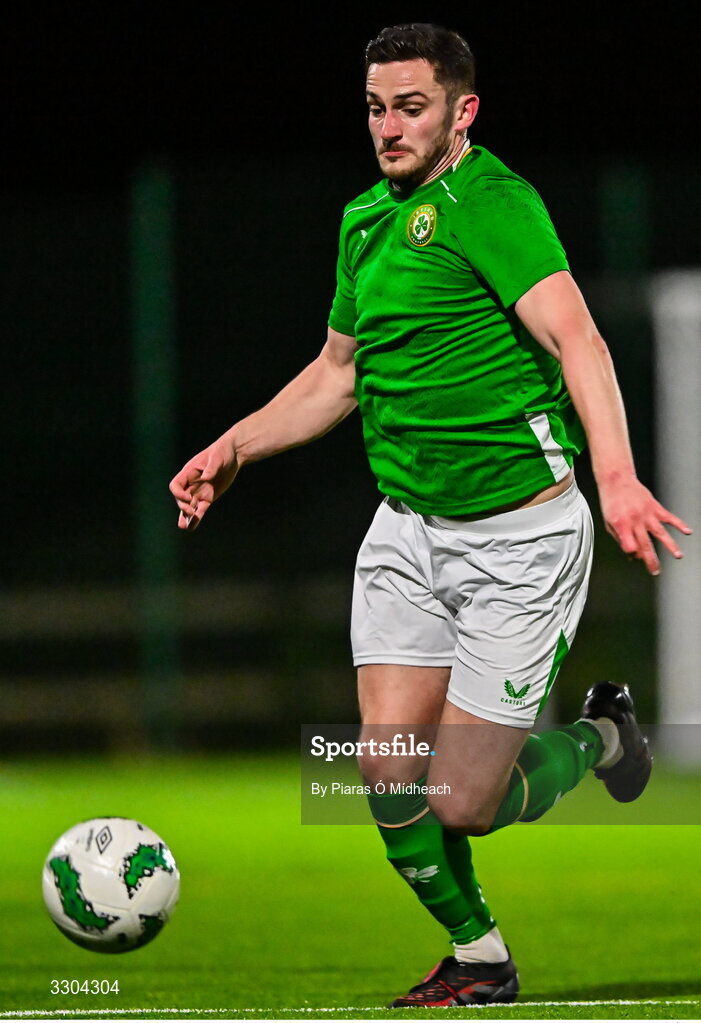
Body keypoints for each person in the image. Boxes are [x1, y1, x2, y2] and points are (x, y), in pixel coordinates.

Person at [169, 23, 691, 1008]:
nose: (388, 126)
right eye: (374, 107)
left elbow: (579, 343)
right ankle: (479, 955)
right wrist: (233, 445)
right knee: (383, 769)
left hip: (518, 542)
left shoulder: (491, 205)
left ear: (462, 110)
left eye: (410, 105)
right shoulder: (365, 220)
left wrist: (616, 477)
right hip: (408, 533)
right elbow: (336, 375)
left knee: (462, 799)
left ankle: (601, 739)